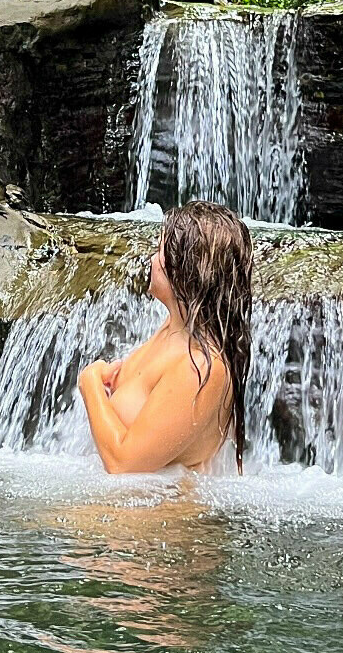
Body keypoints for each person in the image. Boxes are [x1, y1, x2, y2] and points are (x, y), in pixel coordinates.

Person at [78, 200, 253, 475]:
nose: (152, 260)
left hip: (159, 504)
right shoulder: (174, 328)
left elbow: (123, 465)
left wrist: (90, 384)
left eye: (160, 251)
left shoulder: (200, 367)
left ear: (187, 269)